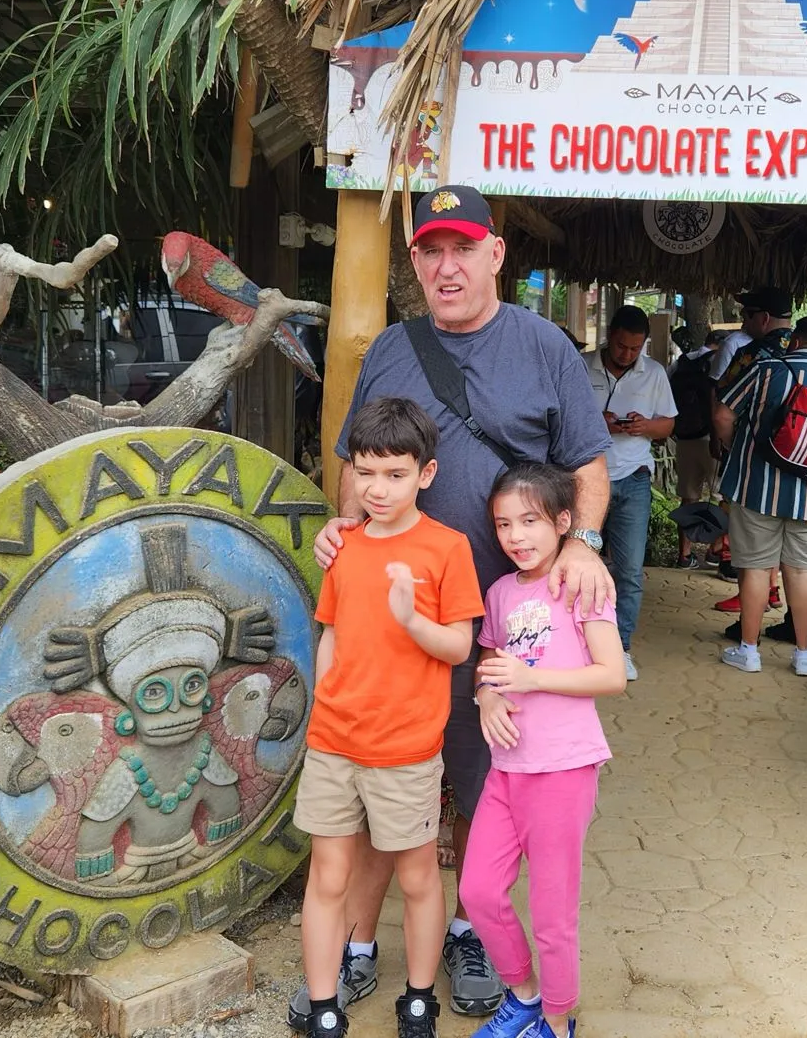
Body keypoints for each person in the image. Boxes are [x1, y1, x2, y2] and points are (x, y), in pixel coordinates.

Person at [296, 184, 613, 1028]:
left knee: (483, 774)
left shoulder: (546, 345)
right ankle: (358, 940)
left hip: (504, 615)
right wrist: (345, 529)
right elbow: (354, 463)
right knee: (377, 769)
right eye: (431, 251)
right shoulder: (393, 349)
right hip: (392, 618)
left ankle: (474, 927)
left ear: (496, 254)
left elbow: (586, 465)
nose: (446, 266)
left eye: (463, 249)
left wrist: (580, 542)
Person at [298, 398, 484, 1038]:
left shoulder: (447, 547)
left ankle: (420, 996)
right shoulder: (343, 545)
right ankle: (324, 1004)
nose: (378, 489)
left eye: (395, 474)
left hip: (406, 746)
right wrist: (326, 697)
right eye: (367, 473)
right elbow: (330, 632)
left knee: (418, 875)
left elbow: (460, 646)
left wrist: (410, 619)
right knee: (327, 874)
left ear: (425, 475)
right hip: (333, 741)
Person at [461, 463, 627, 1038]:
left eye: (530, 521)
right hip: (506, 769)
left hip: (563, 767)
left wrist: (533, 681)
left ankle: (557, 1023)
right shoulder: (501, 592)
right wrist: (486, 694)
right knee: (478, 889)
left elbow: (612, 677)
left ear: (562, 522)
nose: (516, 536)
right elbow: (490, 665)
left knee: (553, 915)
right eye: (504, 524)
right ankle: (525, 994)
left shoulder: (581, 583)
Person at [712, 316, 807, 676]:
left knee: (757, 567)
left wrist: (738, 450)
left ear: (794, 341)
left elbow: (722, 415)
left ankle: (748, 650)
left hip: (757, 489)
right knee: (802, 570)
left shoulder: (765, 371)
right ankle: (805, 656)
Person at [587, 305, 676, 678]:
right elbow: (559, 416)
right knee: (580, 563)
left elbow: (668, 425)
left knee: (629, 571)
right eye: (622, 346)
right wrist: (598, 422)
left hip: (634, 478)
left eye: (635, 349)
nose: (627, 354)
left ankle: (620, 648)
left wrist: (645, 426)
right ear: (610, 336)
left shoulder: (654, 373)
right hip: (588, 478)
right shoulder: (580, 365)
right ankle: (578, 643)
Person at [710, 286, 796, 620]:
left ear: (763, 318)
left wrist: (735, 447)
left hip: (756, 462)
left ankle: (750, 614)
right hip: (803, 461)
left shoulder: (755, 354)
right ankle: (785, 606)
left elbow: (723, 403)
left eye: (746, 315)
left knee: (750, 540)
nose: (742, 322)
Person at [669, 330, 722, 568]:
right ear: (720, 344)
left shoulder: (680, 363)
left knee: (688, 496)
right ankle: (716, 551)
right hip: (711, 438)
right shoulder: (718, 362)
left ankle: (684, 554)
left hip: (684, 437)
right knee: (721, 496)